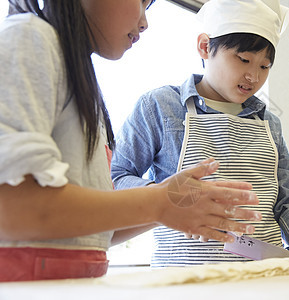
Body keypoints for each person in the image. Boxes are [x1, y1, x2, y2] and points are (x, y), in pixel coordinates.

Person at [0, 0, 263, 282]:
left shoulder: (79, 76)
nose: (144, 22)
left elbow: (97, 230)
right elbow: (11, 205)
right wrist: (159, 202)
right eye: (140, 1)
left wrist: (174, 204)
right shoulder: (30, 37)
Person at [111, 0, 289, 268]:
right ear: (205, 47)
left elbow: (287, 200)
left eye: (264, 66)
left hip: (265, 275)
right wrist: (164, 196)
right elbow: (117, 176)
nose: (253, 76)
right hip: (184, 279)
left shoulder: (269, 123)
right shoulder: (161, 106)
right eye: (243, 59)